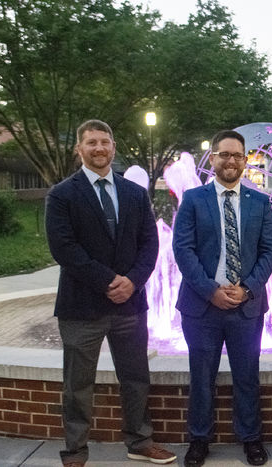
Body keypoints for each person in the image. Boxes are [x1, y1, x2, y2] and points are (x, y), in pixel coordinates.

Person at [45, 120, 175, 467]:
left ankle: (140, 441)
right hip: (81, 306)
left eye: (105, 142)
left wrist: (132, 281)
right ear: (79, 149)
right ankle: (75, 451)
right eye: (91, 143)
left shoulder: (134, 193)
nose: (99, 148)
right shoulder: (62, 194)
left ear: (113, 148)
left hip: (129, 305)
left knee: (135, 378)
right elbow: (64, 248)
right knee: (78, 385)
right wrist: (108, 281)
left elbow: (150, 243)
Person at [173, 130, 272, 467]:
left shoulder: (260, 202)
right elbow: (182, 249)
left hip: (246, 307)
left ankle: (251, 439)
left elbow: (270, 251)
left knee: (247, 376)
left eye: (237, 155)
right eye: (224, 155)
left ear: (245, 160)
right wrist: (211, 291)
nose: (230, 160)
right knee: (201, 377)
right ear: (214, 159)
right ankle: (199, 440)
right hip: (201, 308)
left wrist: (247, 288)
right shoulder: (192, 199)